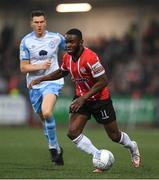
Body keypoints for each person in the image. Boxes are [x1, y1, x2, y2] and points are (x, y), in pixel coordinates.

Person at [29, 28, 141, 172]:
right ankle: (98, 155)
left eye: (72, 42)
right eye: (66, 42)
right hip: (82, 98)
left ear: (81, 42)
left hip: (100, 99)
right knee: (73, 132)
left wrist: (83, 97)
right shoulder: (67, 57)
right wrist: (42, 78)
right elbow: (62, 71)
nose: (68, 45)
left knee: (114, 135)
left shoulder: (91, 58)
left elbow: (103, 81)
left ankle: (132, 146)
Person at [19, 10, 65, 165]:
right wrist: (40, 65)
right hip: (34, 85)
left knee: (47, 111)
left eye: (41, 22)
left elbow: (72, 49)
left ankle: (52, 148)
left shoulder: (57, 38)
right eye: (36, 22)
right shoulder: (25, 42)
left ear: (46, 22)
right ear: (31, 23)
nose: (39, 25)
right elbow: (23, 68)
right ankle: (58, 149)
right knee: (44, 120)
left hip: (52, 81)